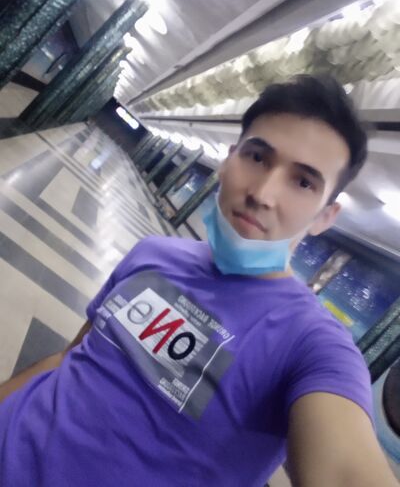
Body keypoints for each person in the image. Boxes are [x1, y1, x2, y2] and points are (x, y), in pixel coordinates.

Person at [0, 75, 398, 487]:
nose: (263, 193)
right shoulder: (153, 253)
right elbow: (69, 359)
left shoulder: (311, 344)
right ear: (227, 160)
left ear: (324, 217)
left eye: (303, 182)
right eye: (257, 157)